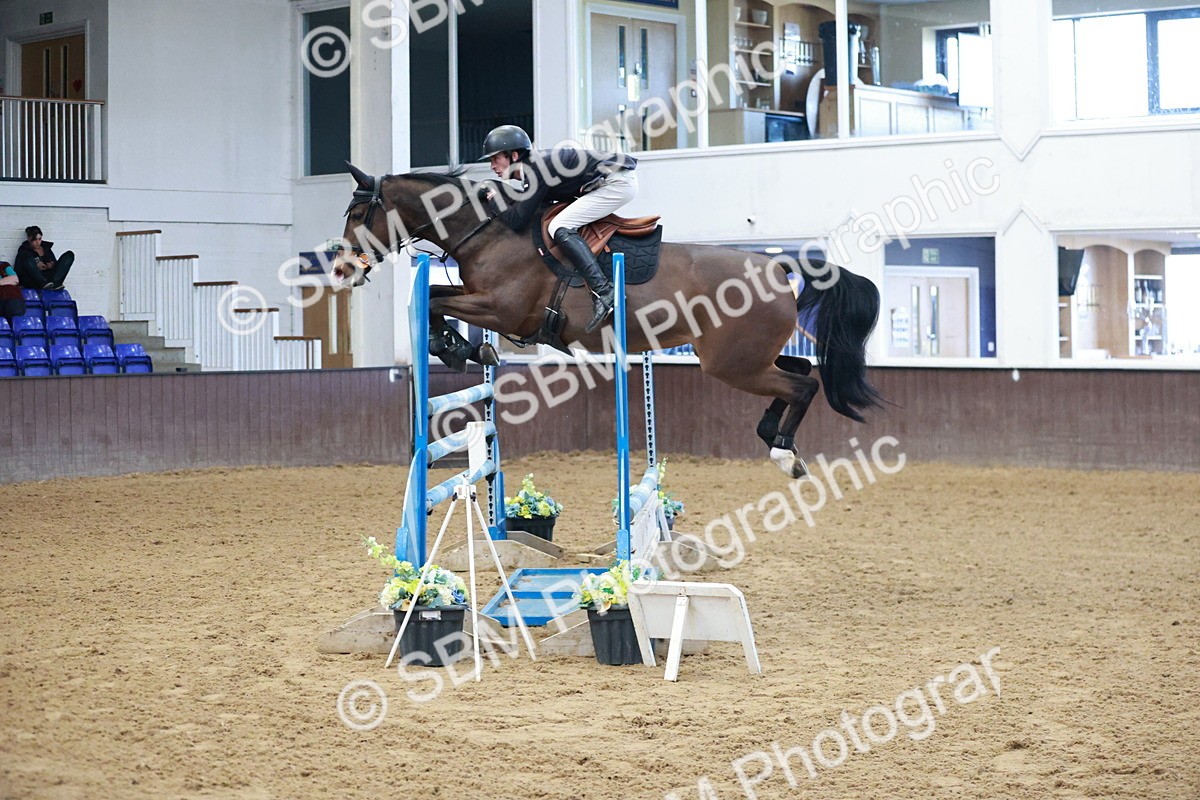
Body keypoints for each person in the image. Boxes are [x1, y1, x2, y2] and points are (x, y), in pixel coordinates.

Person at [479, 125, 638, 333]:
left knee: (559, 225)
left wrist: (494, 199)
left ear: (514, 155)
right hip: (611, 179)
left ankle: (604, 292)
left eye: (495, 159)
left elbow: (517, 221)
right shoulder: (534, 167)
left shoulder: (535, 169)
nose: (492, 166)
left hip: (616, 183)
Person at [14, 226, 74, 290]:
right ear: (29, 239)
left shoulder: (46, 248)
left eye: (39, 239)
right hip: (34, 280)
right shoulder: (24, 250)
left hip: (50, 278)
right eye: (34, 240)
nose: (37, 242)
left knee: (69, 255)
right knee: (27, 259)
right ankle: (43, 283)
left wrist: (51, 264)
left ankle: (55, 283)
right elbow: (19, 269)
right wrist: (35, 266)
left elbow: (54, 262)